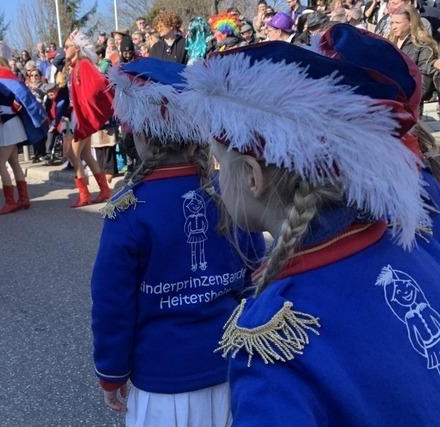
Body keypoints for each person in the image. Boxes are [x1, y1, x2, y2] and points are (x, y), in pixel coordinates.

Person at [183, 23, 440, 426]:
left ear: (253, 175)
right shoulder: (411, 242)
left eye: (219, 162)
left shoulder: (276, 338)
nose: (216, 180)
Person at [92, 57, 264, 426]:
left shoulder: (128, 209)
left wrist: (111, 371)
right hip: (232, 367)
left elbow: (112, 304)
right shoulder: (230, 193)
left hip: (162, 383)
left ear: (139, 133)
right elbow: (257, 275)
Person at [0, 37, 47, 214]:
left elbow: (21, 97)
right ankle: (23, 199)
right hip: (4, 124)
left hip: (9, 124)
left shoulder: (4, 74)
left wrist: (9, 109)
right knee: (13, 162)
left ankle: (11, 201)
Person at [63, 30, 114, 207]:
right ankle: (104, 190)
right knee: (84, 154)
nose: (64, 49)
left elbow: (100, 82)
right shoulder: (76, 65)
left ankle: (84, 194)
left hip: (82, 117)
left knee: (72, 153)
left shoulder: (83, 64)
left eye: (67, 46)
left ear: (77, 48)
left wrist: (86, 104)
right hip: (78, 116)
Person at [389, 5, 438, 110]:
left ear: (411, 23)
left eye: (398, 23)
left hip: (408, 106)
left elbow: (423, 83)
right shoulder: (389, 42)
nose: (393, 27)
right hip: (386, 103)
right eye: (392, 22)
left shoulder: (424, 46)